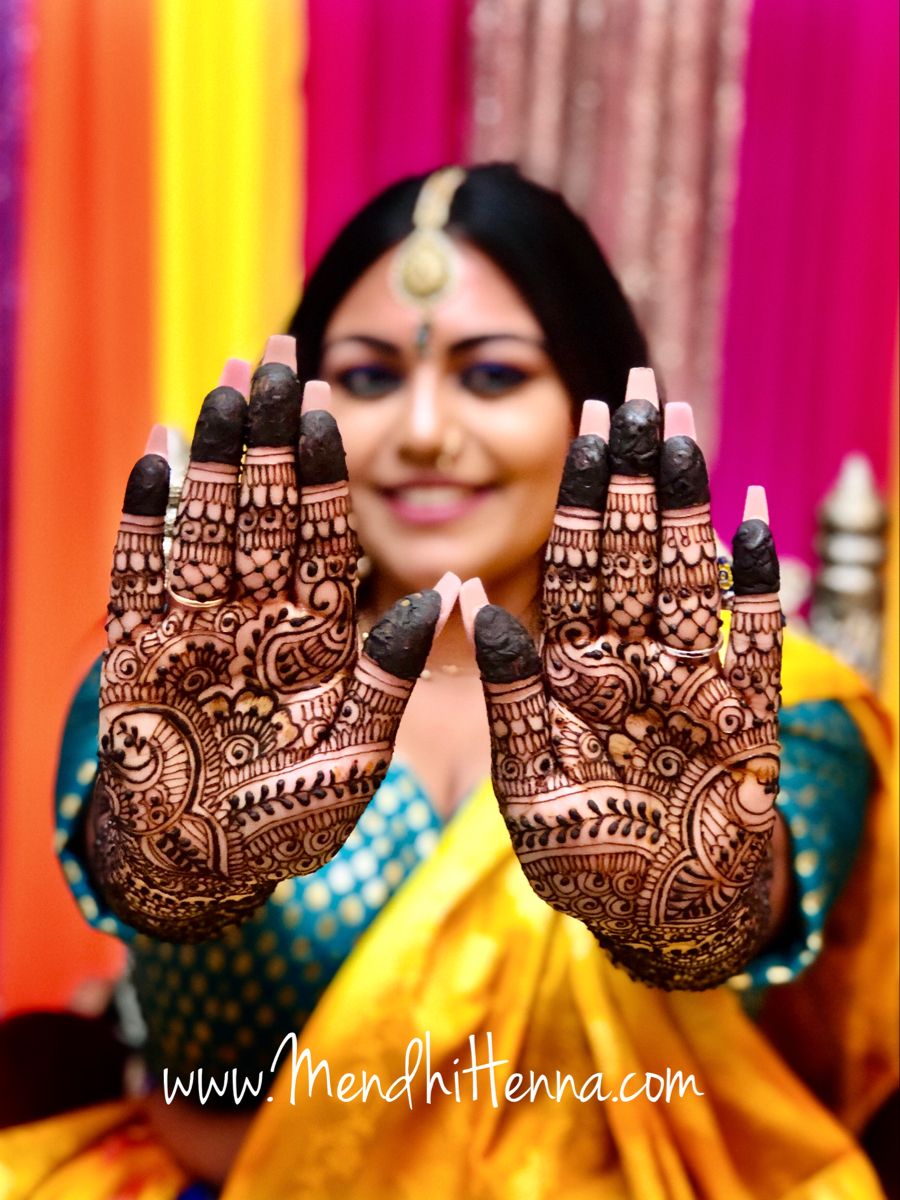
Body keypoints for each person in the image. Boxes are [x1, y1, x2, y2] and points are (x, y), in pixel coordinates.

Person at [0, 164, 894, 1198]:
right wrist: (164, 847)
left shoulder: (751, 708)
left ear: (594, 406)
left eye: (493, 374)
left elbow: (758, 894)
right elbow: (122, 852)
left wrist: (689, 876)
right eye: (372, 378)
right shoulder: (196, 688)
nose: (423, 430)